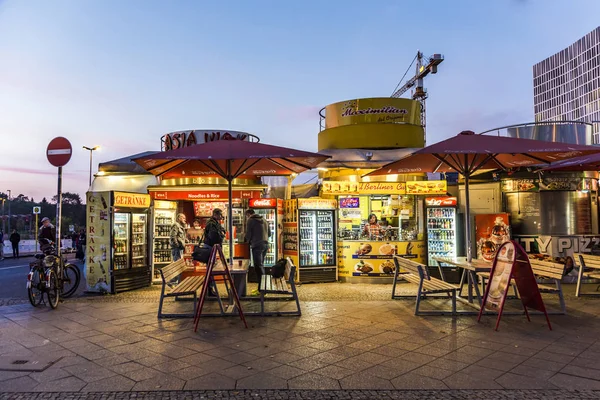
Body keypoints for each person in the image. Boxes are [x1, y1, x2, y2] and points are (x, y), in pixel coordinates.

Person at [245, 209, 270, 294]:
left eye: (246, 216)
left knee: (258, 267)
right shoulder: (264, 219)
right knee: (261, 266)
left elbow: (248, 235)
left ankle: (262, 289)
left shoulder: (250, 220)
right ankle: (262, 288)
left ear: (248, 214)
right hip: (265, 245)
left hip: (257, 245)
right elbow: (269, 233)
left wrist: (247, 241)